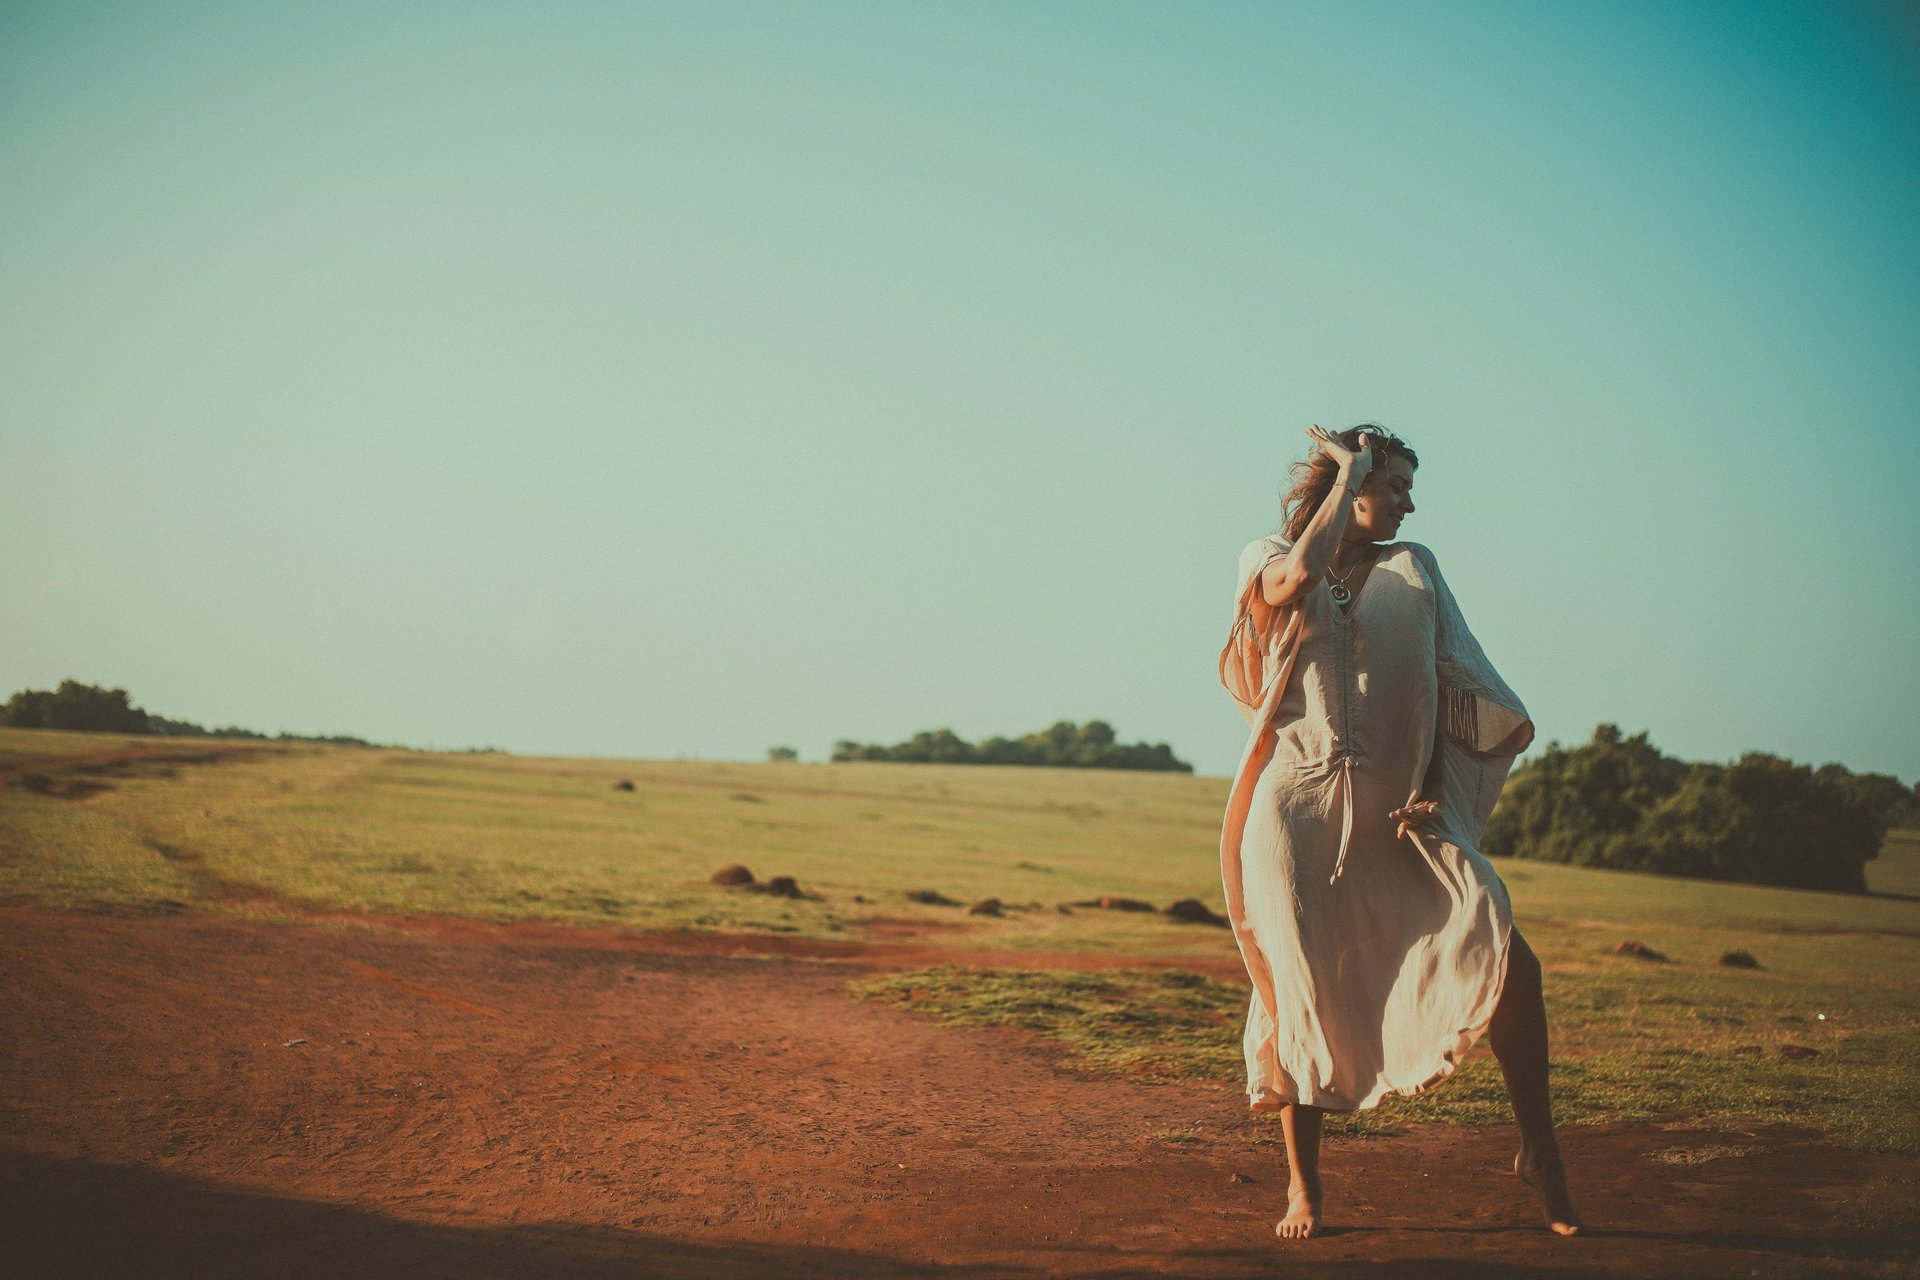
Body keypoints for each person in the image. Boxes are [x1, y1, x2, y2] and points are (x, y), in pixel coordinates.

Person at [1218, 423, 1581, 1240]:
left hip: (1402, 816)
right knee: (1300, 991)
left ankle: (1541, 1151)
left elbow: (1456, 680)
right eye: (1397, 486)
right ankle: (1303, 1187)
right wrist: (1347, 474)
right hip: (1294, 814)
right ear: (1350, 489)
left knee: (1510, 959)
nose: (1410, 503)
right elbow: (1297, 578)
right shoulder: (1266, 554)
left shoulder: (1415, 569)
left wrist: (1431, 784)